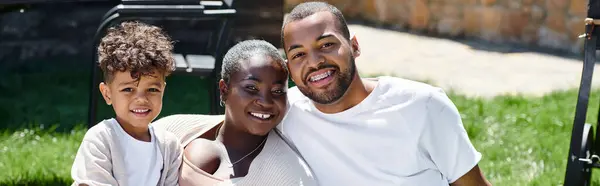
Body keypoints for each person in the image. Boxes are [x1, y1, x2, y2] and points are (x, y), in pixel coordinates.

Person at [278, 1, 492, 186]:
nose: (314, 62)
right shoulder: (283, 114)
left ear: (354, 46)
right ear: (289, 68)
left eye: (326, 44)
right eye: (299, 54)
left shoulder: (422, 106)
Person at [152, 40, 318, 185]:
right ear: (224, 90)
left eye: (277, 91)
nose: (266, 101)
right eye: (251, 88)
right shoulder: (172, 130)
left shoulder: (289, 177)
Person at [70, 21, 181, 186]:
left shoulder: (169, 146)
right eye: (128, 90)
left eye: (152, 90)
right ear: (107, 94)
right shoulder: (101, 140)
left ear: (163, 90)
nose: (141, 99)